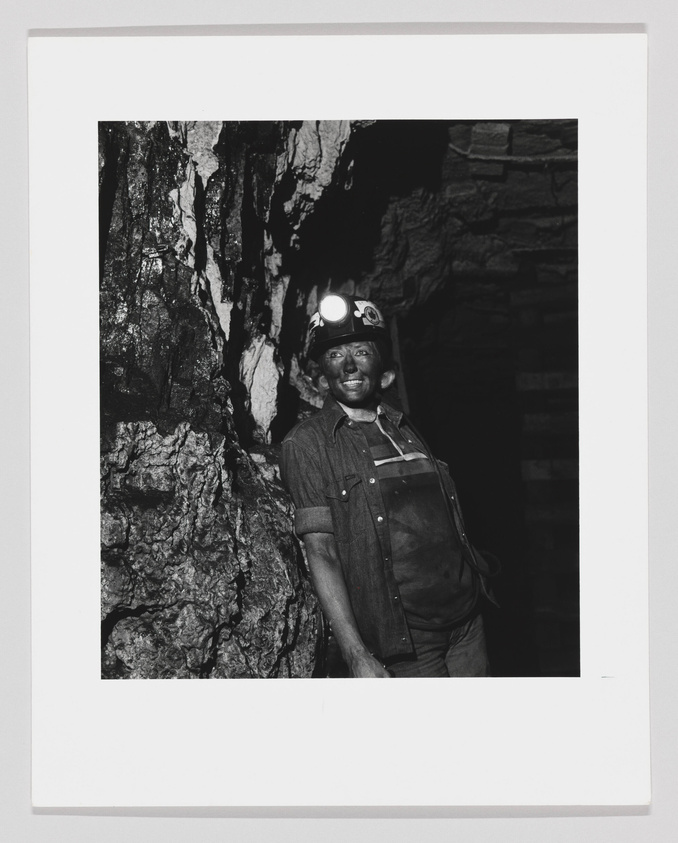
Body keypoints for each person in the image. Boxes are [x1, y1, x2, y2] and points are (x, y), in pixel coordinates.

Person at [280, 294, 499, 678]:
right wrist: (355, 654)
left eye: (361, 351)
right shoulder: (307, 443)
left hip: (467, 623)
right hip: (407, 641)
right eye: (335, 355)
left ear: (380, 363)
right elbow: (322, 551)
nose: (349, 365)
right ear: (321, 373)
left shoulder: (404, 425)